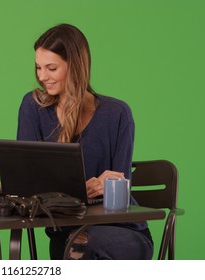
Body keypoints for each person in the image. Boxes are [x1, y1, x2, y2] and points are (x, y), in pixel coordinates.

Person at [17, 23, 153, 260]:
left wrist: (108, 186)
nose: (42, 76)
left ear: (75, 67)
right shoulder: (34, 107)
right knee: (76, 247)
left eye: (51, 68)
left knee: (86, 246)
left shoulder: (117, 113)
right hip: (67, 234)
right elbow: (27, 184)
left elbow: (121, 187)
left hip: (121, 232)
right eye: (38, 67)